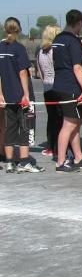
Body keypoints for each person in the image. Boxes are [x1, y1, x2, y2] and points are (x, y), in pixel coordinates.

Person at [51, 10, 82, 172]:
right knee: (69, 124)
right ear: (80, 23)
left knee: (75, 122)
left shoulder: (57, 39)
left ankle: (78, 157)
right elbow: (77, 67)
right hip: (70, 87)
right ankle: (61, 162)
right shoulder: (73, 41)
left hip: (59, 84)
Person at [0, 17, 44, 173]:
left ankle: (9, 162)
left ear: (5, 29)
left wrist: (0, 95)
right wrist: (26, 95)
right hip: (21, 96)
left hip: (7, 97)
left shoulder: (0, 48)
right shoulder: (19, 48)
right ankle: (24, 162)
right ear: (18, 30)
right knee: (26, 128)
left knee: (9, 129)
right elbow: (23, 73)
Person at [37, 24, 62, 158]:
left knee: (51, 118)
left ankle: (50, 147)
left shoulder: (40, 51)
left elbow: (40, 72)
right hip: (58, 86)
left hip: (47, 88)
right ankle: (60, 147)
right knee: (61, 118)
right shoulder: (55, 51)